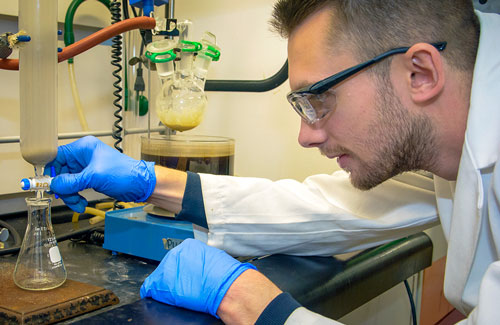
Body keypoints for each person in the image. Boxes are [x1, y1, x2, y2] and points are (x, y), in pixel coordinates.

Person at [45, 0, 500, 323]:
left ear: (420, 73)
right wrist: (149, 181)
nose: (306, 135)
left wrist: (259, 307)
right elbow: (336, 206)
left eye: (319, 98)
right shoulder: (457, 138)